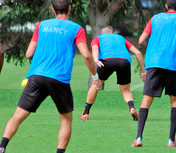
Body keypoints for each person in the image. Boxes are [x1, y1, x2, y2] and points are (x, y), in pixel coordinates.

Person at [0, 0, 102, 153]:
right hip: (59, 79)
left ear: (53, 10)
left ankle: (2, 146)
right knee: (66, 120)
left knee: (17, 116)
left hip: (36, 77)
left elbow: (28, 53)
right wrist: (95, 77)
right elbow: (87, 56)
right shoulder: (77, 29)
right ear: (69, 8)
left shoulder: (41, 25)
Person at [131, 0, 176, 147]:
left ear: (166, 6)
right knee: (175, 102)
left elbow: (140, 40)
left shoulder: (155, 18)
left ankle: (139, 138)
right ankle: (171, 140)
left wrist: (153, 48)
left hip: (154, 63)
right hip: (173, 65)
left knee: (146, 101)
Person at [80, 26, 146, 121]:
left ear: (103, 33)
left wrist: (96, 60)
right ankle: (132, 108)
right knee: (125, 90)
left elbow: (95, 49)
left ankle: (85, 113)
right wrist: (143, 71)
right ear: (112, 32)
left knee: (95, 85)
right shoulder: (121, 38)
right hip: (124, 62)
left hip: (106, 62)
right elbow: (138, 53)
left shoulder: (98, 38)